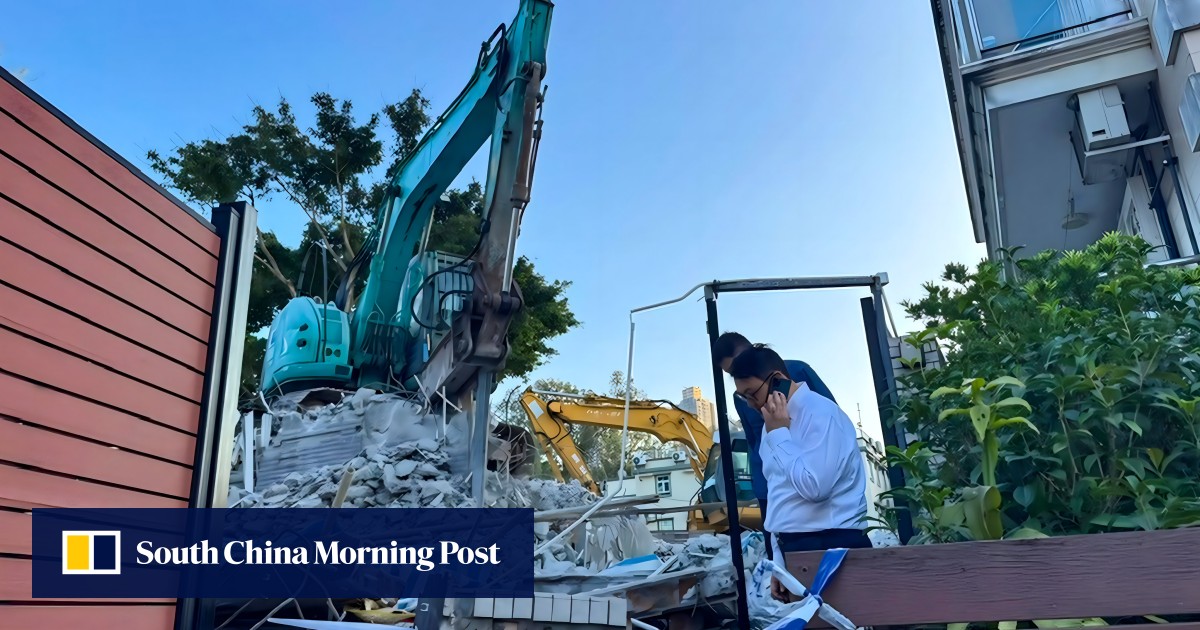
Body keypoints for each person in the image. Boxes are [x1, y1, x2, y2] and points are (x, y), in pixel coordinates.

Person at [727, 344, 870, 602]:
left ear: (777, 380)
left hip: (832, 546)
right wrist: (778, 562)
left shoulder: (821, 414)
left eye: (752, 394)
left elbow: (815, 488)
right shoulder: (771, 424)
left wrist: (779, 434)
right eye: (743, 397)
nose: (750, 405)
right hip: (795, 549)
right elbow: (778, 496)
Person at [712, 332, 837, 558]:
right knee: (778, 551)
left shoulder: (797, 370)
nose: (752, 402)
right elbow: (753, 439)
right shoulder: (741, 397)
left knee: (815, 550)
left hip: (809, 474)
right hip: (769, 484)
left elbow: (830, 414)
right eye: (731, 373)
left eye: (739, 364)